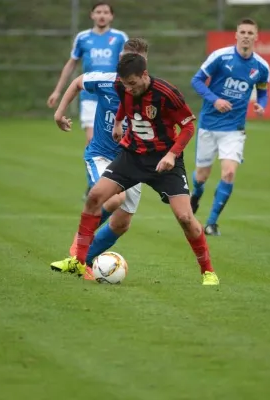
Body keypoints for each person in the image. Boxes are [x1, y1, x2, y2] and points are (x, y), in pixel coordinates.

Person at [51, 53, 220, 286]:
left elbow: (188, 127)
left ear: (144, 75)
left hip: (164, 162)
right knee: (95, 197)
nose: (128, 89)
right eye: (124, 85)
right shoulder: (123, 86)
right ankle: (79, 261)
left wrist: (172, 154)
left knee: (184, 217)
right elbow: (124, 105)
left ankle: (208, 272)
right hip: (132, 157)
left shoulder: (167, 93)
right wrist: (119, 122)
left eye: (132, 84)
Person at [51, 39, 149, 280]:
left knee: (121, 224)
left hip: (133, 163)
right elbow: (77, 82)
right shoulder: (105, 80)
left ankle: (78, 261)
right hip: (102, 155)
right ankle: (77, 253)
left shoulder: (153, 92)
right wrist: (59, 113)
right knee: (115, 197)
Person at [189, 18, 270, 236]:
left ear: (256, 37)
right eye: (242, 32)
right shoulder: (220, 57)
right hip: (208, 124)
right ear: (236, 35)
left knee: (229, 173)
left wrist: (261, 106)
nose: (246, 36)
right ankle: (196, 194)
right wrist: (215, 100)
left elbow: (263, 92)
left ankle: (211, 223)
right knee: (201, 177)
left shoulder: (261, 67)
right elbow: (196, 81)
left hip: (234, 129)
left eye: (250, 33)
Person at [47, 1, 128, 197]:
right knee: (91, 138)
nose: (102, 15)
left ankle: (110, 178)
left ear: (111, 16)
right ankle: (93, 182)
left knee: (116, 139)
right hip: (90, 96)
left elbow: (127, 64)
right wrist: (58, 91)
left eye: (106, 12)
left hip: (113, 96)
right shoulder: (83, 38)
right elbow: (71, 64)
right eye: (98, 12)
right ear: (92, 15)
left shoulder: (119, 38)